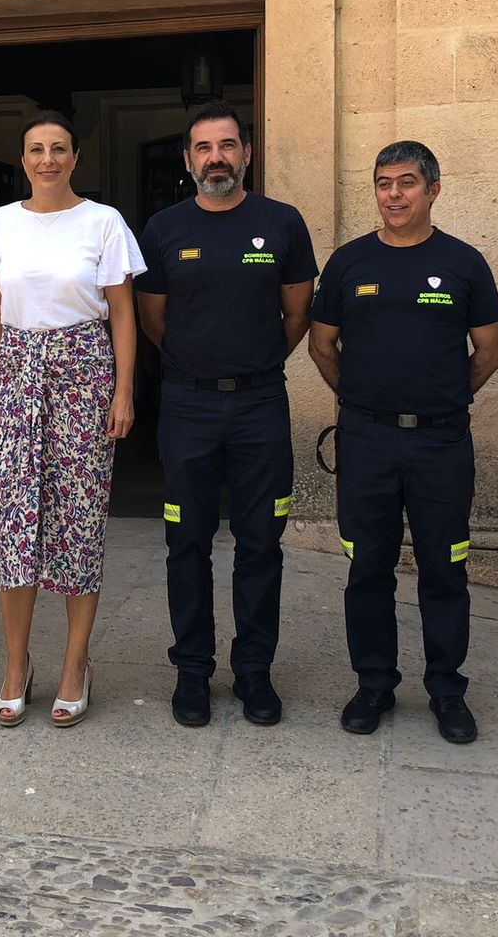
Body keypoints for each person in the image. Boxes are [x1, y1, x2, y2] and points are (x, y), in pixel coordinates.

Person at [308, 140, 498, 744]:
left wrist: (441, 399)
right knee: (367, 566)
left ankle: (447, 689)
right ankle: (374, 684)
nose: (394, 195)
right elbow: (321, 344)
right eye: (384, 183)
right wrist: (363, 403)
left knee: (445, 569)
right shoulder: (348, 263)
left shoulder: (465, 263)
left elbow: (490, 351)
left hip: (441, 445)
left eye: (407, 184)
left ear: (433, 190)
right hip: (366, 440)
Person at [135, 99, 316, 728]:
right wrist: (197, 364)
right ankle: (192, 670)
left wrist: (253, 361)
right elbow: (152, 319)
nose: (217, 158)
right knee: (186, 541)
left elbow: (298, 315)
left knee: (261, 542)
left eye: (228, 146)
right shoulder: (162, 229)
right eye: (204, 149)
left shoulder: (283, 223)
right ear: (188, 161)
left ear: (247, 152)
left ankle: (254, 673)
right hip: (186, 405)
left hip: (261, 403)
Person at [0, 112, 143, 728]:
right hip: (17, 372)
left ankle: (76, 665)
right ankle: (17, 666)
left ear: (76, 158)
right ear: (23, 160)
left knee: (78, 518)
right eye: (37, 150)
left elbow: (122, 313)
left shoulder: (103, 222)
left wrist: (123, 392)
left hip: (83, 370)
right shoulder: (1, 223)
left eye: (59, 149)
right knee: (15, 524)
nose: (48, 159)